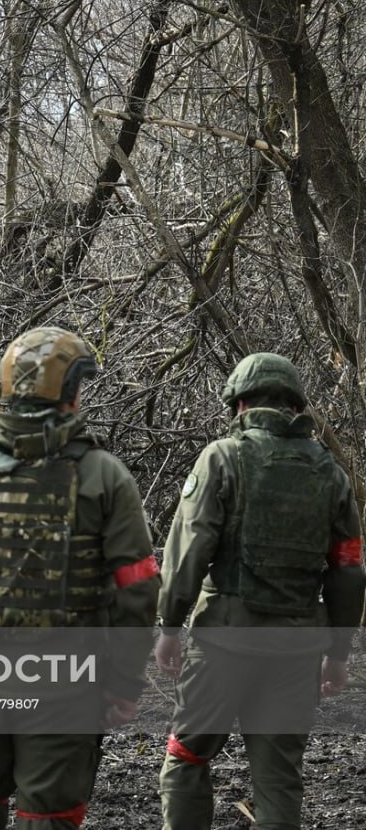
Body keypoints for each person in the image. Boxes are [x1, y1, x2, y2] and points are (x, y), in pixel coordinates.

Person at [0, 326, 160, 829]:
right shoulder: (103, 475)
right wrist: (122, 683)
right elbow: (138, 588)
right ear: (71, 392)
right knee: (49, 816)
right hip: (65, 689)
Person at [156, 352, 364, 829]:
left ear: (240, 404)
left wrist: (169, 625)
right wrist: (338, 654)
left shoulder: (222, 458)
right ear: (295, 406)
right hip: (296, 650)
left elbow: (189, 552)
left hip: (223, 642)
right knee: (279, 779)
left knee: (187, 756)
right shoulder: (331, 474)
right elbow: (349, 572)